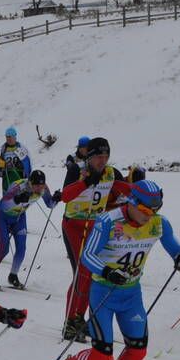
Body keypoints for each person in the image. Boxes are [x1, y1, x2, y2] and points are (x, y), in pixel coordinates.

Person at [55, 179, 180, 360]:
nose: (150, 215)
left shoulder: (158, 223)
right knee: (100, 355)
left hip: (131, 295)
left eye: (156, 210)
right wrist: (107, 271)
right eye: (146, 210)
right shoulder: (108, 221)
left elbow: (173, 244)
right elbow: (87, 256)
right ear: (132, 202)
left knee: (138, 350)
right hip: (103, 293)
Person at [57, 136, 130, 341]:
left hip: (95, 227)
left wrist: (146, 193)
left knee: (93, 275)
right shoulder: (77, 170)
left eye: (106, 156)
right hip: (74, 225)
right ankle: (70, 321)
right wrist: (87, 182)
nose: (102, 160)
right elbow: (65, 196)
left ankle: (80, 317)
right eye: (98, 156)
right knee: (82, 272)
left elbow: (126, 190)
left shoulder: (110, 173)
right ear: (89, 156)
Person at [0, 170, 58, 290]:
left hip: (19, 217)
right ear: (30, 182)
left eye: (41, 186)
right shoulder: (17, 186)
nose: (39, 189)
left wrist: (56, 198)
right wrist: (17, 199)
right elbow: (4, 204)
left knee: (21, 248)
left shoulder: (43, 188)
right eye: (36, 186)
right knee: (4, 249)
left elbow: (50, 204)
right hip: (2, 216)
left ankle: (13, 276)